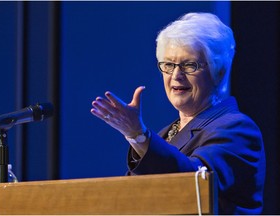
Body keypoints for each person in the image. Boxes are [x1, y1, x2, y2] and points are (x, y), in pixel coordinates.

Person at [91, 12, 266, 215]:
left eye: (189, 65)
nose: (176, 75)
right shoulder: (167, 133)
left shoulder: (237, 129)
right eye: (169, 65)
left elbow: (195, 184)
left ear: (218, 72)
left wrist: (138, 136)